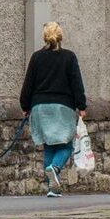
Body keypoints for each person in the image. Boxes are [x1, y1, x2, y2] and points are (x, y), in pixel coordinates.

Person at [19, 21, 87, 198]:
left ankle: (52, 188)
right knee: (66, 145)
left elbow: (28, 84)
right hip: (62, 106)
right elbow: (76, 83)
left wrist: (25, 106)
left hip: (40, 107)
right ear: (60, 36)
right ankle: (55, 168)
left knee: (49, 145)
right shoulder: (69, 57)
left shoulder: (36, 57)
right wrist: (81, 106)